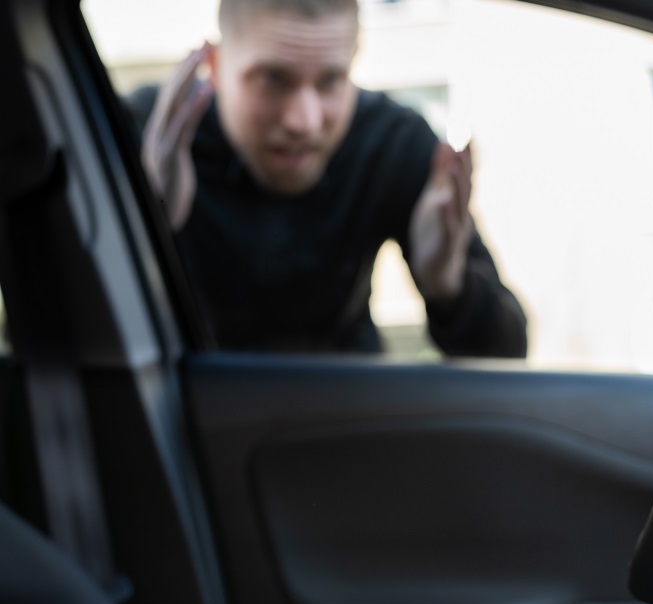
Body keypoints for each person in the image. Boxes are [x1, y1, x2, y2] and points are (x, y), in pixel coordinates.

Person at [126, 0, 527, 356]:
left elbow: (509, 351)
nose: (305, 120)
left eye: (331, 81)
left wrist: (449, 284)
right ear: (214, 67)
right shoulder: (151, 139)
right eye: (273, 79)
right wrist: (144, 224)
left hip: (341, 415)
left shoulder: (391, 143)